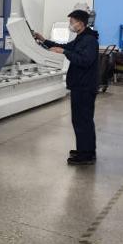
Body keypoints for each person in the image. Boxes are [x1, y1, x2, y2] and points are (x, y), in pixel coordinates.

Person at [33, 10, 100, 165]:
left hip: (84, 87)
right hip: (80, 85)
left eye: (72, 22)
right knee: (81, 120)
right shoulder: (81, 38)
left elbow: (84, 60)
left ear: (80, 23)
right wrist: (44, 40)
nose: (70, 25)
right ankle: (86, 150)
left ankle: (86, 155)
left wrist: (64, 52)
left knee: (83, 120)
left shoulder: (89, 41)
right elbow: (65, 46)